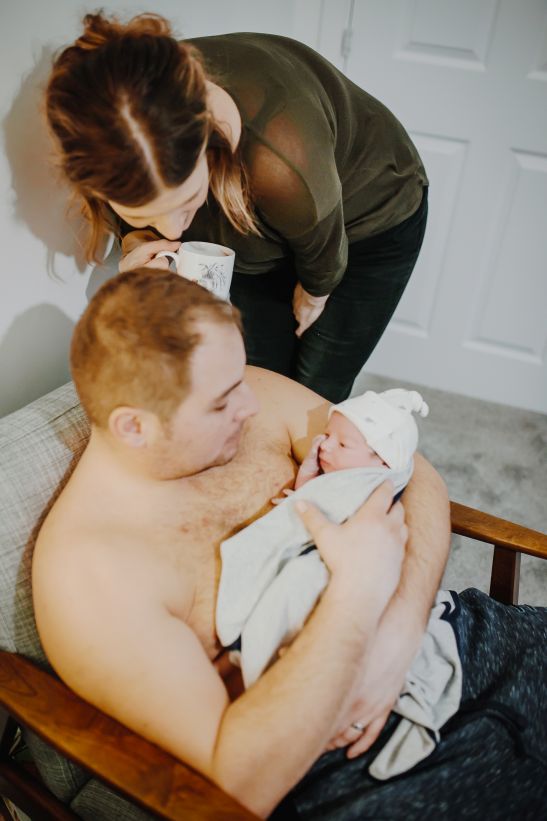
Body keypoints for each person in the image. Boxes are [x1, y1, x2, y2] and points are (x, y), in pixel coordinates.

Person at [32, 270, 547, 819]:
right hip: (363, 759)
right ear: (134, 427)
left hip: (456, 635)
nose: (251, 405)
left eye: (241, 377)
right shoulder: (92, 574)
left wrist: (400, 628)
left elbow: (415, 471)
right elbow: (241, 779)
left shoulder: (250, 393)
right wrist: (357, 592)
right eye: (223, 402)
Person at [45, 11, 429, 402]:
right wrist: (136, 242)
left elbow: (325, 254)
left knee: (314, 389)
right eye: (146, 214)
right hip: (272, 222)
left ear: (209, 144)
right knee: (253, 379)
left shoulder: (279, 162)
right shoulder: (123, 119)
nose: (174, 232)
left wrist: (315, 291)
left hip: (366, 218)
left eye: (186, 202)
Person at [216, 387, 433, 689]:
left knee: (296, 586)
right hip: (326, 551)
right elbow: (316, 502)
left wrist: (303, 503)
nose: (325, 446)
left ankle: (263, 657)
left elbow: (325, 513)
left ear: (383, 463)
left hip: (340, 570)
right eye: (328, 435)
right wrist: (308, 479)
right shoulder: (344, 477)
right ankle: (253, 650)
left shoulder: (373, 486)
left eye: (342, 444)